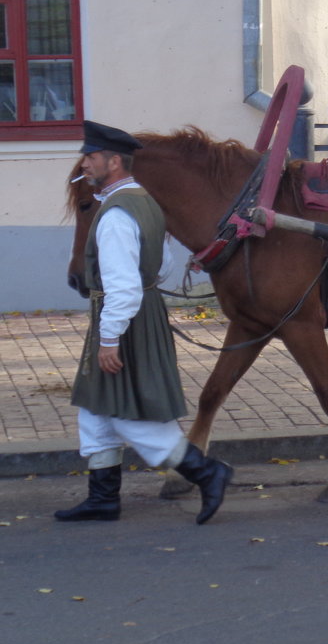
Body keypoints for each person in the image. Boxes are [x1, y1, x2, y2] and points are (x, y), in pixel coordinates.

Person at [55, 120, 232, 525]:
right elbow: (160, 265)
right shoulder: (145, 202)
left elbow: (125, 287)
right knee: (96, 407)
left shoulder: (116, 215)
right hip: (137, 313)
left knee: (126, 414)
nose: (86, 163)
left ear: (114, 162)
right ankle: (102, 499)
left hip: (126, 320)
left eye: (93, 157)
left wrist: (110, 338)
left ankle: (206, 472)